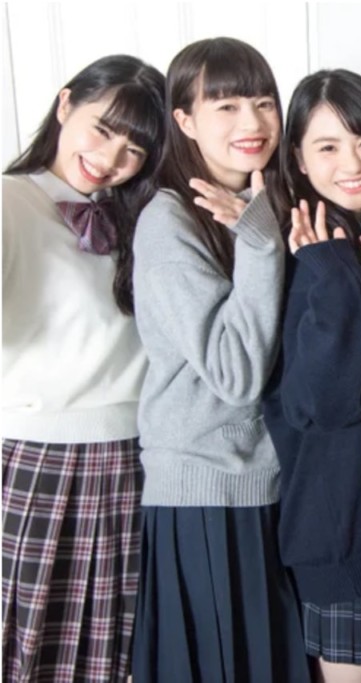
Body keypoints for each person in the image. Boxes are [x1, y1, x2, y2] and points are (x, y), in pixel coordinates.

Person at [129, 37, 308, 683]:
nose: (251, 122)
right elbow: (235, 372)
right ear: (184, 119)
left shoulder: (271, 202)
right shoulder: (170, 220)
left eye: (263, 102)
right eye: (226, 106)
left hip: (267, 486)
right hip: (205, 493)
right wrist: (260, 243)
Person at [2, 53, 165, 683]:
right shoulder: (10, 202)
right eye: (102, 129)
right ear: (65, 104)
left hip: (134, 465)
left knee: (113, 660)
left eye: (134, 149)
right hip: (42, 463)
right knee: (31, 652)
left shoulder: (141, 218)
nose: (110, 158)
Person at [262, 69, 361, 683]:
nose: (351, 163)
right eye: (327, 146)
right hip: (336, 531)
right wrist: (330, 268)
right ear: (298, 160)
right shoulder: (311, 254)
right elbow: (322, 402)